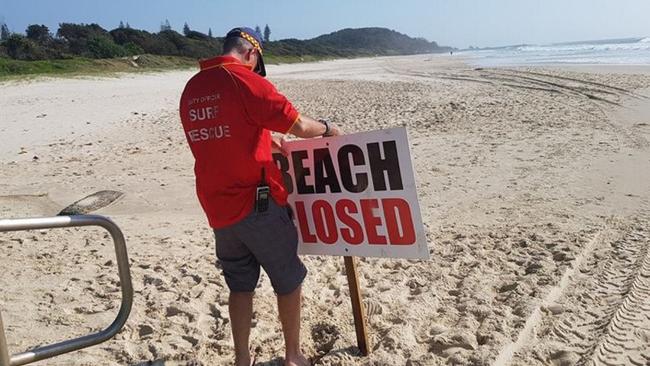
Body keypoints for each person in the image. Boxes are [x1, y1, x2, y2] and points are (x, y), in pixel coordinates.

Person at [179, 27, 341, 366]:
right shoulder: (246, 81)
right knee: (288, 278)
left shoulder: (192, 89)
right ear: (251, 53)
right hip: (257, 203)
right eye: (256, 63)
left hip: (217, 207)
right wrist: (327, 128)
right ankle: (293, 355)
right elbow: (298, 125)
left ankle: (242, 359)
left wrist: (267, 140)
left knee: (239, 285)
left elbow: (224, 137)